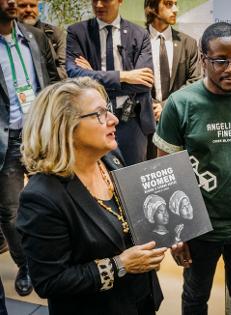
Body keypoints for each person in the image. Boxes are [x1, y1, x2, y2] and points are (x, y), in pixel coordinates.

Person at [154, 22, 231, 315]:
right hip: (199, 229)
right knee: (196, 299)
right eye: (220, 61)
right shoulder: (181, 104)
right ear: (203, 60)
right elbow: (163, 170)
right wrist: (175, 233)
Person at [16, 77, 167, 314]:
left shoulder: (110, 159)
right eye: (99, 114)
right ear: (64, 126)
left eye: (108, 110)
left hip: (140, 299)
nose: (114, 119)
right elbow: (49, 281)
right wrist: (120, 265)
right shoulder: (41, 197)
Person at [0, 0, 59, 297]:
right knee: (10, 211)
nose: (12, 2)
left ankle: (52, 258)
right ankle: (27, 265)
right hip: (6, 140)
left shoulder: (34, 37)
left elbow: (50, 80)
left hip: (39, 134)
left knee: (52, 200)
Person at [66, 0, 155, 165]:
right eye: (94, 0)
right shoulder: (77, 32)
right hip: (93, 122)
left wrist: (92, 75)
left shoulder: (139, 34)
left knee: (132, 181)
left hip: (132, 121)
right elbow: (74, 76)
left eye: (106, 0)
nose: (99, 5)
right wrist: (124, 76)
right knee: (100, 178)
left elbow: (144, 83)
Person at [144, 0, 201, 159]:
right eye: (169, 4)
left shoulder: (188, 43)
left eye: (176, 4)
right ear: (153, 7)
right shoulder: (137, 40)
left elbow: (195, 81)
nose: (175, 9)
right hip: (143, 123)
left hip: (178, 123)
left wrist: (166, 105)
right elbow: (130, 78)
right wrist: (151, 105)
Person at [17, 0, 67, 79]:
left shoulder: (55, 33)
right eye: (23, 6)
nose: (29, 10)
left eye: (33, 6)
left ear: (38, 8)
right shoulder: (6, 36)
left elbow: (65, 68)